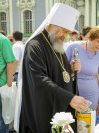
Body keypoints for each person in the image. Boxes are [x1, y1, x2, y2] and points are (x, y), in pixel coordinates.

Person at [14, 3, 89, 133]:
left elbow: (60, 73)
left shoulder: (56, 42)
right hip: (44, 109)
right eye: (64, 31)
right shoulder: (34, 46)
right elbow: (38, 79)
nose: (65, 36)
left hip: (59, 106)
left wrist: (71, 71)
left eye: (68, 32)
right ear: (52, 25)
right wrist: (69, 98)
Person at [65, 24, 99, 124]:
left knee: (87, 126)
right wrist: (71, 69)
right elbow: (60, 69)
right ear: (91, 37)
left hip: (91, 98)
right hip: (71, 95)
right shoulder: (73, 47)